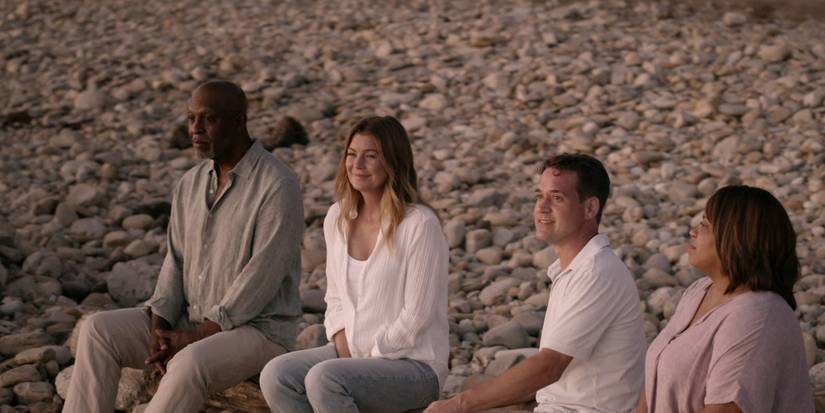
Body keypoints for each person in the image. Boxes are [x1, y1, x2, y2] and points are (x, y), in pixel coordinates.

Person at [64, 80, 304, 413]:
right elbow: (175, 261)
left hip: (258, 332)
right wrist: (159, 324)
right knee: (97, 330)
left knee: (188, 362)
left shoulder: (278, 185)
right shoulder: (190, 183)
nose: (196, 129)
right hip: (189, 321)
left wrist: (196, 337)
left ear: (239, 121)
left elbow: (262, 276)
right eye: (191, 119)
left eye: (208, 119)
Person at [426, 154, 645, 413]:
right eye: (539, 196)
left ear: (590, 208)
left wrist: (458, 405)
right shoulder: (576, 268)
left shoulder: (596, 272)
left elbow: (549, 366)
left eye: (556, 198)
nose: (542, 207)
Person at [259, 116, 449, 413]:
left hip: (414, 365)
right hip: (353, 353)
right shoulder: (338, 217)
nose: (357, 164)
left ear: (393, 163)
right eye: (352, 154)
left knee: (326, 378)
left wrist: (369, 355)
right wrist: (339, 335)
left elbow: (417, 316)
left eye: (371, 156)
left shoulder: (419, 224)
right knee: (277, 375)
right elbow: (334, 295)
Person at [637, 185, 814, 413]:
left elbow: (723, 410)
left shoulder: (756, 315)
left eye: (705, 225)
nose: (693, 231)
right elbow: (655, 378)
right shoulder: (699, 290)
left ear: (739, 239)